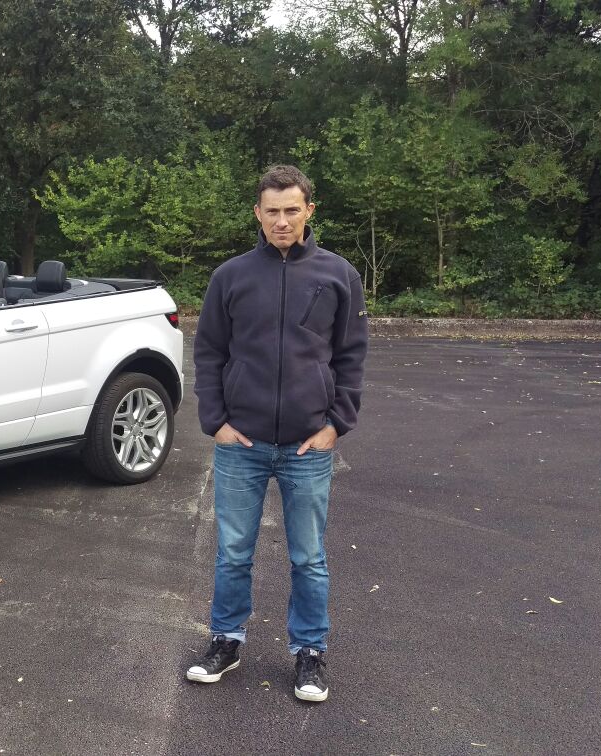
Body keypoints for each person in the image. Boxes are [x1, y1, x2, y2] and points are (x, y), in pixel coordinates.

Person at [186, 165, 368, 703]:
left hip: (307, 444)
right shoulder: (231, 276)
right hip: (241, 443)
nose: (282, 221)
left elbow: (351, 355)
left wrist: (336, 424)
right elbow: (209, 352)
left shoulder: (338, 275)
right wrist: (216, 422)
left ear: (310, 210)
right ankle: (226, 642)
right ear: (258, 214)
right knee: (232, 552)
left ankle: (309, 652)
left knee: (308, 557)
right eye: (272, 211)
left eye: (292, 210)